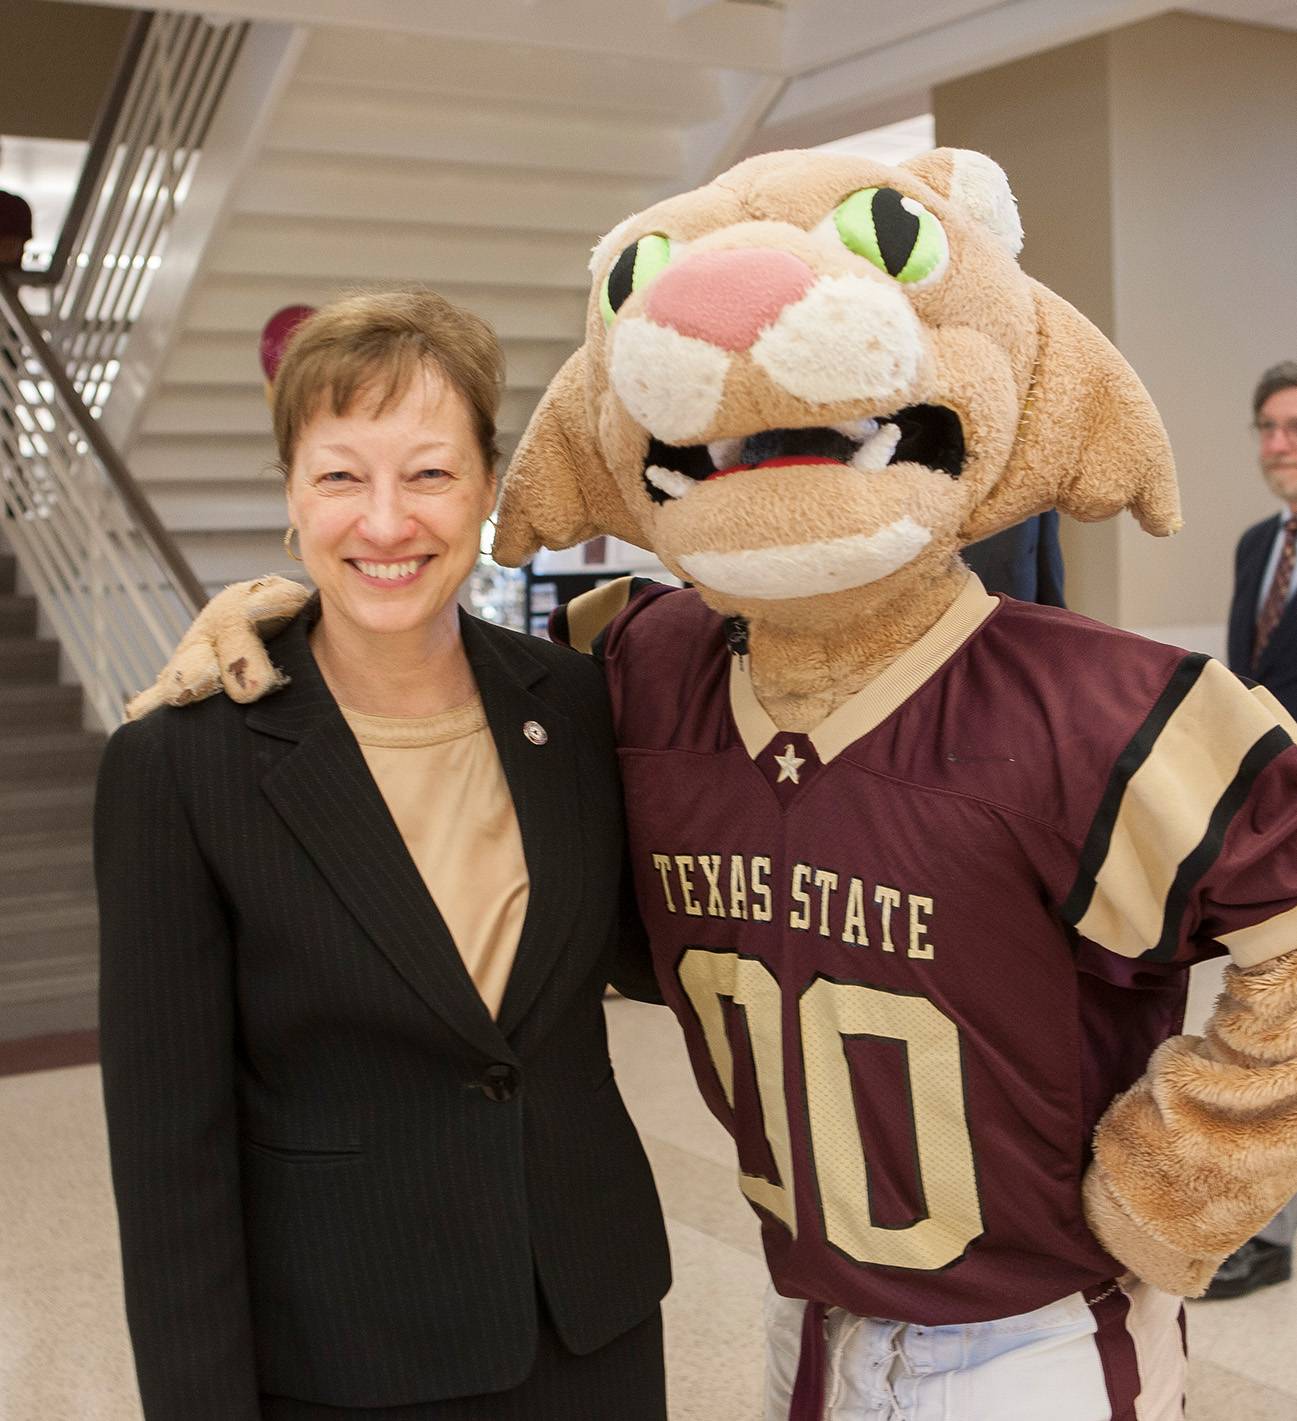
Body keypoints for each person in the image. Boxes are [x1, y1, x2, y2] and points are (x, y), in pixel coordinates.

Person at [96, 289, 670, 1420]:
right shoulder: (183, 760)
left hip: (588, 1322)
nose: (387, 520)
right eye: (341, 475)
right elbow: (171, 1163)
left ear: (488, 485)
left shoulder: (574, 701)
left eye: (429, 472)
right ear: (290, 498)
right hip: (348, 1352)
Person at [1205, 359, 1297, 1300]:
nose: (1276, 445)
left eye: (1293, 426)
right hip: (1273, 831)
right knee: (1271, 1025)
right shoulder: (1252, 547)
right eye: (1265, 426)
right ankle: (1267, 1224)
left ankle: (1271, 1229)